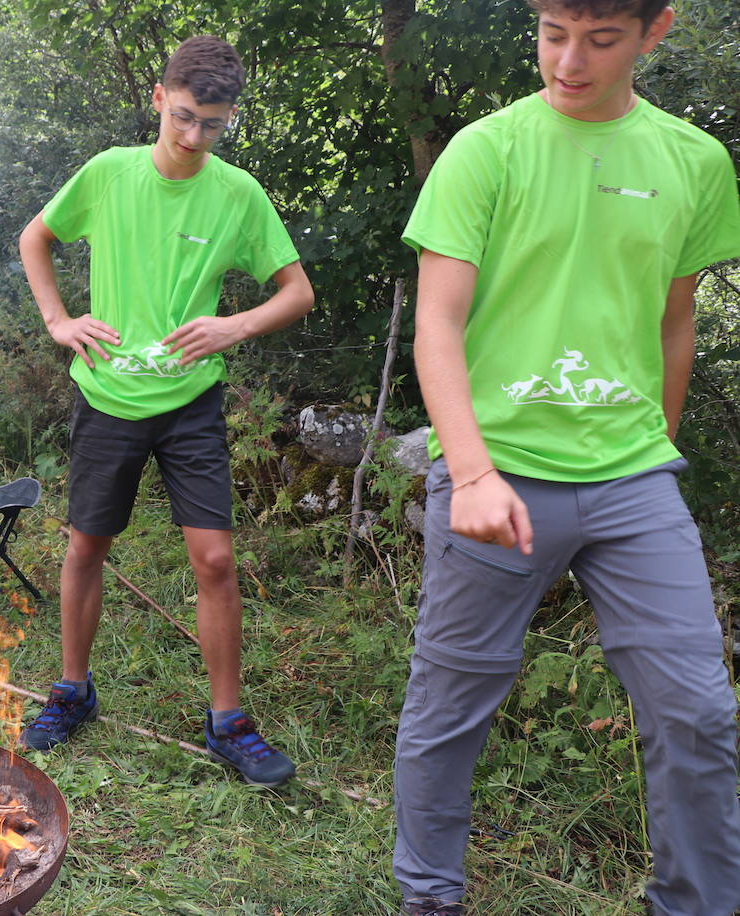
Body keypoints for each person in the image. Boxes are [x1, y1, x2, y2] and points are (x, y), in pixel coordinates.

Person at [393, 1, 740, 913]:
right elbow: (438, 325)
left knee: (698, 712)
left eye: (601, 39)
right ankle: (430, 900)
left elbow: (674, 322)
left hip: (632, 479)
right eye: (552, 33)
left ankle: (695, 904)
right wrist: (468, 472)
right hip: (495, 469)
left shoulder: (695, 162)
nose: (569, 62)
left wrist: (656, 447)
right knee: (449, 710)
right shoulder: (487, 150)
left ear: (656, 30)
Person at [16, 35, 314, 786]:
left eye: (212, 125)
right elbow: (37, 239)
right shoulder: (110, 175)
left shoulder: (238, 194)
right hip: (108, 398)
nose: (193, 137)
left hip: (191, 402)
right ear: (158, 98)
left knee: (215, 560)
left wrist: (234, 325)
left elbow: (296, 290)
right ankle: (73, 691)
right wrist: (59, 322)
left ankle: (228, 723)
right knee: (87, 547)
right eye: (183, 116)